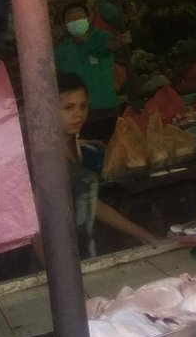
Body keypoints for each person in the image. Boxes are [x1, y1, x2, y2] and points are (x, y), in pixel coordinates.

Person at [56, 73, 159, 257]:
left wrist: (144, 235)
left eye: (83, 106)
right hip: (61, 263)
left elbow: (92, 204)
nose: (78, 113)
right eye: (68, 107)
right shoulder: (41, 158)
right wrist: (58, 276)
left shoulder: (76, 147)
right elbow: (35, 229)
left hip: (85, 254)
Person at [53, 2, 122, 115]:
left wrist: (118, 42)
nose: (75, 21)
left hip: (105, 106)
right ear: (65, 24)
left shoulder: (102, 37)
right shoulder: (61, 50)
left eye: (79, 17)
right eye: (70, 19)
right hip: (76, 112)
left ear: (89, 19)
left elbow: (110, 45)